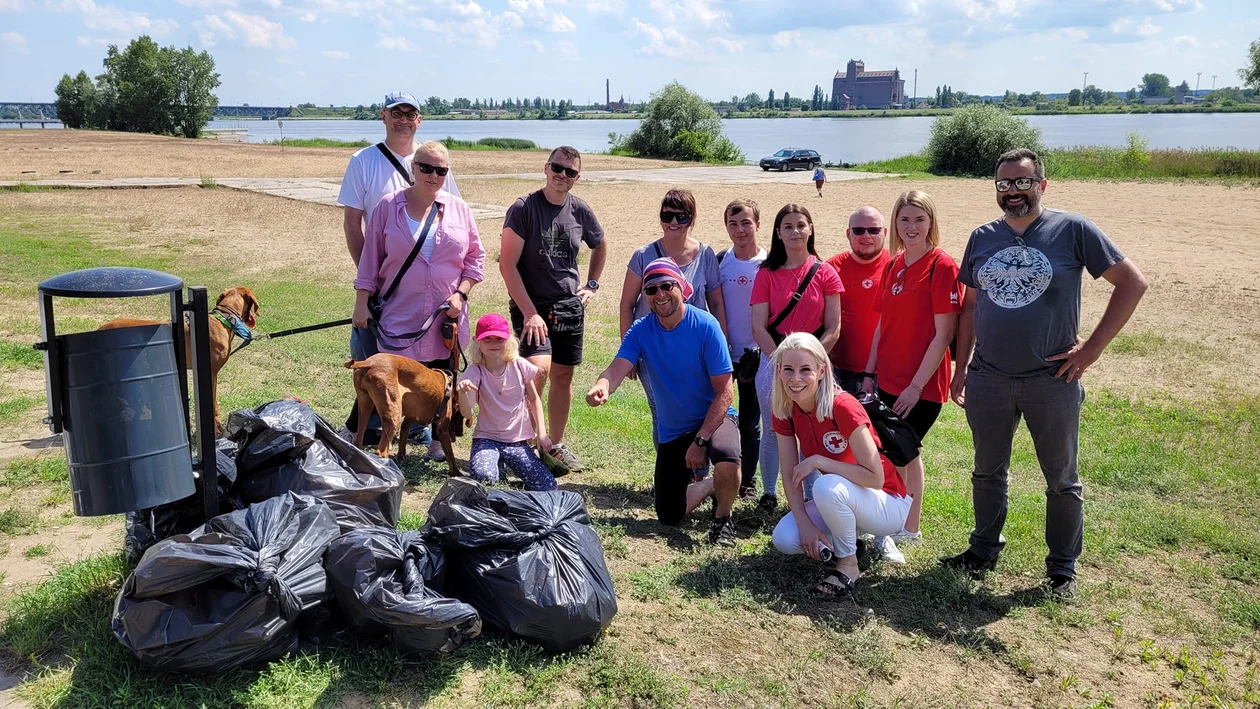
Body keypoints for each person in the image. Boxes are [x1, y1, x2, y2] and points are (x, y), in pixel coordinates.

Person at [944, 148, 1148, 598]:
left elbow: (1132, 283)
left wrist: (1091, 349)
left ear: (1042, 184)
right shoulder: (982, 237)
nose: (1013, 192)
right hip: (989, 377)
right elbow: (972, 307)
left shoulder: (1072, 230)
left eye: (1022, 182)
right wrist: (962, 367)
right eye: (1004, 184)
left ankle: (1061, 569)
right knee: (986, 470)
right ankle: (982, 549)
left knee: (1061, 478)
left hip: (1051, 380)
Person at [588, 258, 741, 545]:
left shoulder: (706, 326)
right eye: (651, 289)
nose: (659, 294)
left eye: (667, 286)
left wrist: (701, 440)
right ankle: (710, 486)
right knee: (669, 515)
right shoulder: (641, 330)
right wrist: (602, 385)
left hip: (714, 418)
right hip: (674, 431)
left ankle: (723, 518)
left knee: (727, 453)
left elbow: (725, 391)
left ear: (683, 288)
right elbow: (616, 368)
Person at [351, 141, 485, 461]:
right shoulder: (387, 206)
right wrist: (361, 302)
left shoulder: (459, 209)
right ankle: (370, 435)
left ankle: (440, 439)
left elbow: (475, 260)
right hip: (400, 314)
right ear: (413, 168)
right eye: (426, 167)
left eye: (441, 170)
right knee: (393, 380)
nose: (433, 175)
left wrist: (461, 292)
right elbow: (370, 260)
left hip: (444, 318)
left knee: (441, 380)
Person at [339, 92, 460, 446]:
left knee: (427, 357)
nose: (404, 119)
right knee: (373, 358)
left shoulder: (433, 159)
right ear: (384, 116)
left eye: (411, 113)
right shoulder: (363, 161)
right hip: (384, 285)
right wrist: (371, 281)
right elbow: (353, 223)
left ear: (419, 120)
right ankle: (363, 430)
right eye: (397, 112)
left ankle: (419, 423)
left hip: (428, 289)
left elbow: (450, 214)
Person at [769, 332, 912, 598]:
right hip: (845, 498)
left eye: (805, 370)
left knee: (826, 485)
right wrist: (804, 523)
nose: (795, 378)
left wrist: (820, 461)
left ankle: (847, 564)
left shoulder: (842, 405)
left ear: (822, 370)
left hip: (888, 503)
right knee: (786, 538)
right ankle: (849, 542)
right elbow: (790, 475)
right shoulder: (785, 408)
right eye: (788, 369)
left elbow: (875, 478)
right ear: (778, 371)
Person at [861, 190, 962, 562]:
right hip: (886, 379)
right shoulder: (893, 265)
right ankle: (896, 522)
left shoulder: (942, 266)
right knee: (895, 454)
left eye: (919, 219)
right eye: (905, 219)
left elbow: (944, 334)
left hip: (921, 386)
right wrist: (869, 373)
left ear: (931, 222)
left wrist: (916, 386)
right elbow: (882, 325)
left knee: (902, 454)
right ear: (896, 225)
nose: (912, 226)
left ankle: (908, 527)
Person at [500, 146, 608, 471]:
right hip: (532, 305)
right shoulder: (524, 208)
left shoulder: (580, 210)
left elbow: (600, 244)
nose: (562, 175)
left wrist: (591, 285)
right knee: (537, 371)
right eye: (557, 168)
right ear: (546, 168)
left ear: (577, 177)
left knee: (563, 375)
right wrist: (530, 312)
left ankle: (555, 446)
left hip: (569, 307)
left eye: (570, 172)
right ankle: (521, 445)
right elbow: (507, 266)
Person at [749, 204, 842, 511]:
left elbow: (834, 328)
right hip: (773, 362)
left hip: (815, 368)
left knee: (813, 430)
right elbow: (758, 325)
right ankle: (770, 492)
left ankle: (814, 495)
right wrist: (780, 363)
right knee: (774, 428)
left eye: (801, 225)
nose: (795, 232)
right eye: (787, 226)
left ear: (811, 229)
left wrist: (811, 363)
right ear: (778, 233)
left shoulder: (826, 272)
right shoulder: (766, 273)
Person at [619, 189, 728, 446]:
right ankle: (667, 476)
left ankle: (696, 473)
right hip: (653, 351)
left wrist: (721, 342)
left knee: (698, 410)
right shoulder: (643, 255)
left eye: (682, 216)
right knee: (662, 413)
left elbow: (716, 303)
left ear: (692, 219)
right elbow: (626, 305)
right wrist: (629, 353)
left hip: (696, 351)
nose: (674, 223)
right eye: (667, 215)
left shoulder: (706, 254)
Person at [457, 313, 558, 492]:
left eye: (499, 339)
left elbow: (534, 400)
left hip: (517, 441)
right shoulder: (475, 371)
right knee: (484, 478)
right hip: (486, 439)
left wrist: (541, 433)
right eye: (487, 339)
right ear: (477, 341)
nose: (494, 344)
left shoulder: (520, 366)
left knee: (547, 485)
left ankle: (503, 464)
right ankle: (497, 467)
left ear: (509, 340)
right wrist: (464, 394)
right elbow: (467, 413)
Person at [720, 199, 767, 499]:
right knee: (717, 417)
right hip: (722, 354)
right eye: (733, 224)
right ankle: (717, 474)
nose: (740, 230)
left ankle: (747, 481)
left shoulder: (770, 262)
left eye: (746, 223)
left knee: (750, 423)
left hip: (756, 356)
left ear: (758, 225)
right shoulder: (719, 259)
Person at [825, 206, 891, 394]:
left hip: (887, 370)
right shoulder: (831, 268)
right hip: (840, 370)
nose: (866, 236)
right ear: (848, 233)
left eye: (873, 230)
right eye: (858, 230)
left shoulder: (898, 263)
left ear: (885, 232)